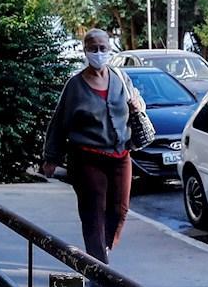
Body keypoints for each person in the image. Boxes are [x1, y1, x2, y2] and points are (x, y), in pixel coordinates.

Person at [42, 29, 145, 267]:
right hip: (87, 157)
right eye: (93, 48)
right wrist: (51, 157)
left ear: (110, 48)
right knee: (93, 212)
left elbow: (136, 103)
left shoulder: (120, 78)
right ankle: (99, 267)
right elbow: (59, 122)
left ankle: (102, 248)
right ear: (85, 50)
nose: (99, 52)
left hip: (120, 155)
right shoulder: (75, 86)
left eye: (103, 47)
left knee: (119, 211)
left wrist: (138, 105)